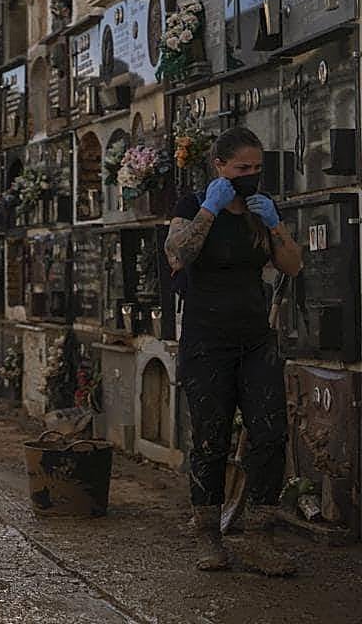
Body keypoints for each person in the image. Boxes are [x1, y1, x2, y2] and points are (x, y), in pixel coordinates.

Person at [164, 126, 303, 576]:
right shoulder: (192, 206)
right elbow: (178, 255)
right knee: (210, 438)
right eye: (242, 168)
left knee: (270, 433)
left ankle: (261, 536)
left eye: (257, 168)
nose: (250, 175)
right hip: (207, 340)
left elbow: (293, 265)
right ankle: (208, 534)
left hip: (255, 338)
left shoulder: (259, 212)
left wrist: (275, 223)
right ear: (219, 167)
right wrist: (210, 208)